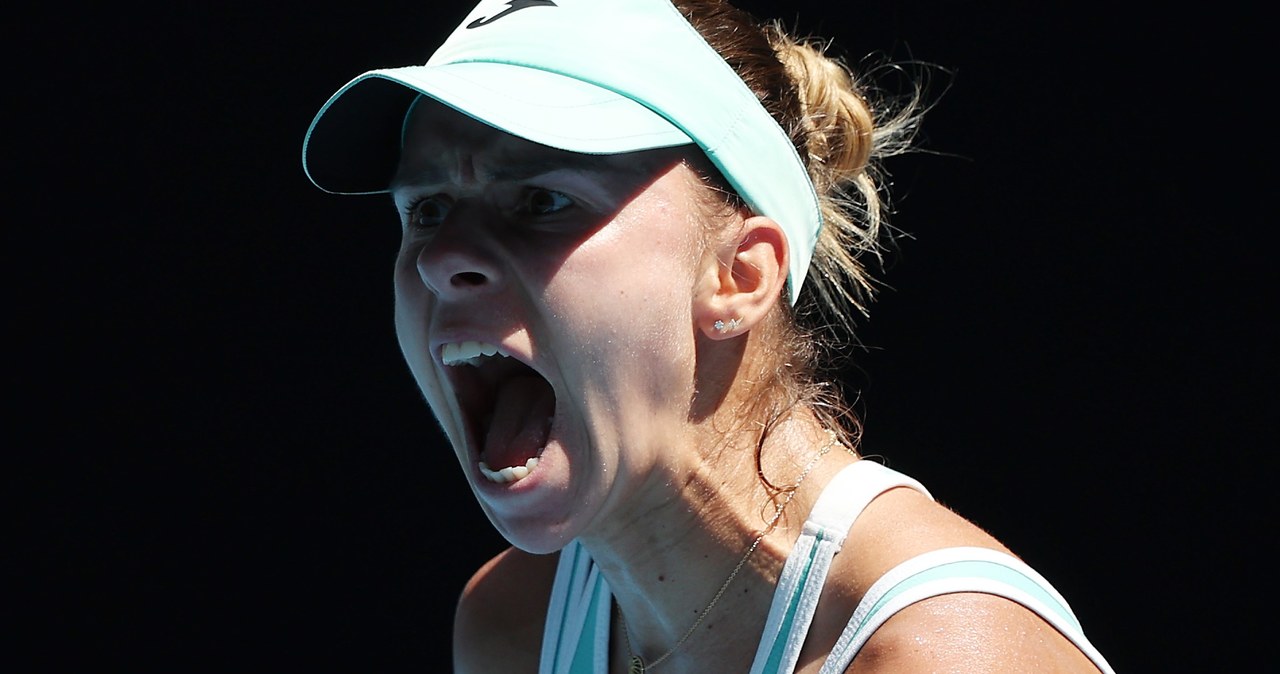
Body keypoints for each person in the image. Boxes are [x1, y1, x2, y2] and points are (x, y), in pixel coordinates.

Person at [301, 0, 1116, 671]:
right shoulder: (511, 626)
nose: (442, 258)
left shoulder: (943, 656)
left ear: (739, 275)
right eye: (427, 210)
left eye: (543, 201)